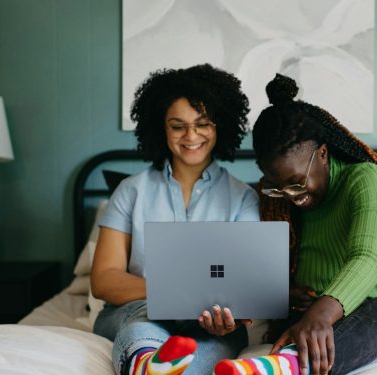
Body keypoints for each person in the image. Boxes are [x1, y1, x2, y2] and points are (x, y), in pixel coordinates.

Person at [214, 74, 377, 375]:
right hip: (324, 322)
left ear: (322, 154)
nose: (290, 197)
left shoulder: (367, 181)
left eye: (296, 184)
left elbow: (366, 257)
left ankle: (289, 367)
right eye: (277, 187)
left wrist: (323, 311)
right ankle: (290, 363)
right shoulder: (280, 202)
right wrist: (283, 293)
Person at [91, 64, 260, 375]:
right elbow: (103, 280)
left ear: (219, 125)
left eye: (202, 123)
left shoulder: (243, 198)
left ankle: (152, 368)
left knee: (216, 341)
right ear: (162, 129)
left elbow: (243, 284)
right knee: (141, 325)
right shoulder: (131, 192)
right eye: (177, 126)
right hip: (138, 310)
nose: (191, 135)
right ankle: (149, 362)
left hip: (211, 322)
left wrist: (224, 317)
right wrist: (172, 294)